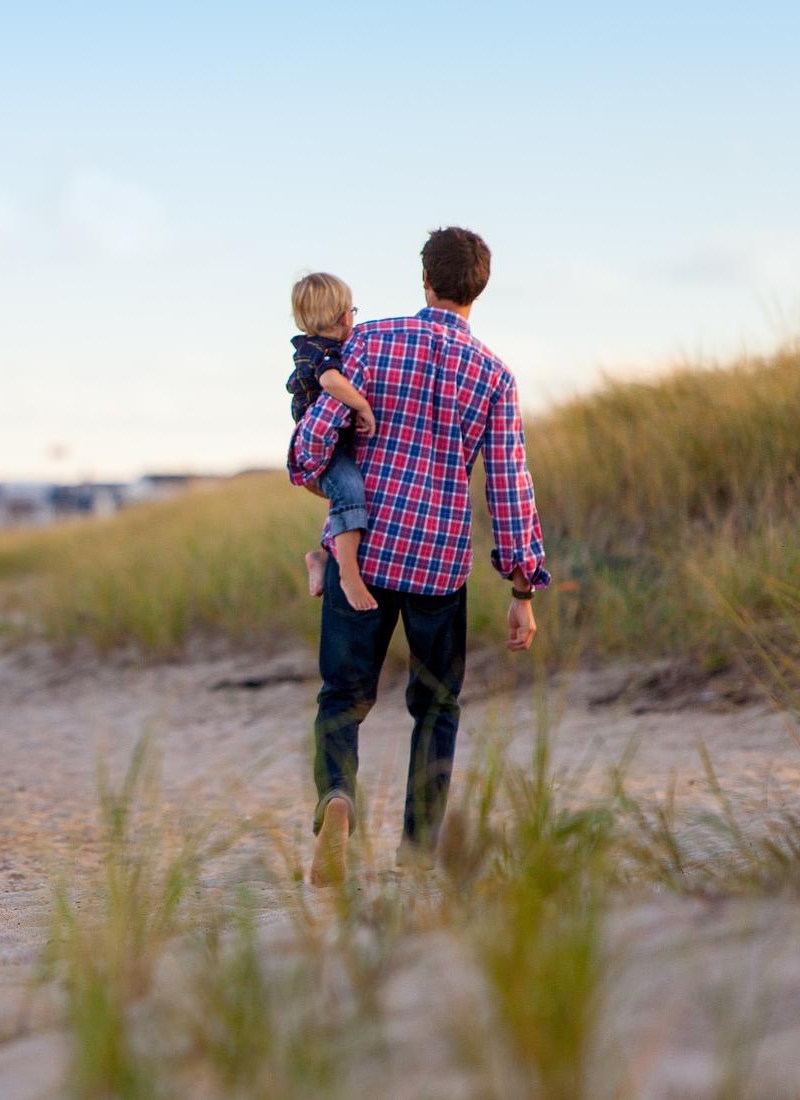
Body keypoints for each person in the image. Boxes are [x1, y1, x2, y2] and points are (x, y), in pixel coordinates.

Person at [287, 227, 550, 887]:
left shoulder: (369, 340)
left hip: (365, 554)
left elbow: (312, 440)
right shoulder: (493, 374)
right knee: (435, 707)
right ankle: (417, 850)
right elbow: (509, 486)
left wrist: (313, 468)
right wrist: (521, 593)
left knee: (341, 699)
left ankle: (337, 800)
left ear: (424, 279)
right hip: (438, 565)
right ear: (477, 288)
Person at [285, 273, 379, 611]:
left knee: (345, 495)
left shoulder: (319, 346)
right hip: (322, 448)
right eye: (352, 310)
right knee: (351, 490)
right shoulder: (320, 352)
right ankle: (348, 575)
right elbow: (330, 382)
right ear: (343, 316)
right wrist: (362, 404)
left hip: (331, 444)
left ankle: (322, 557)